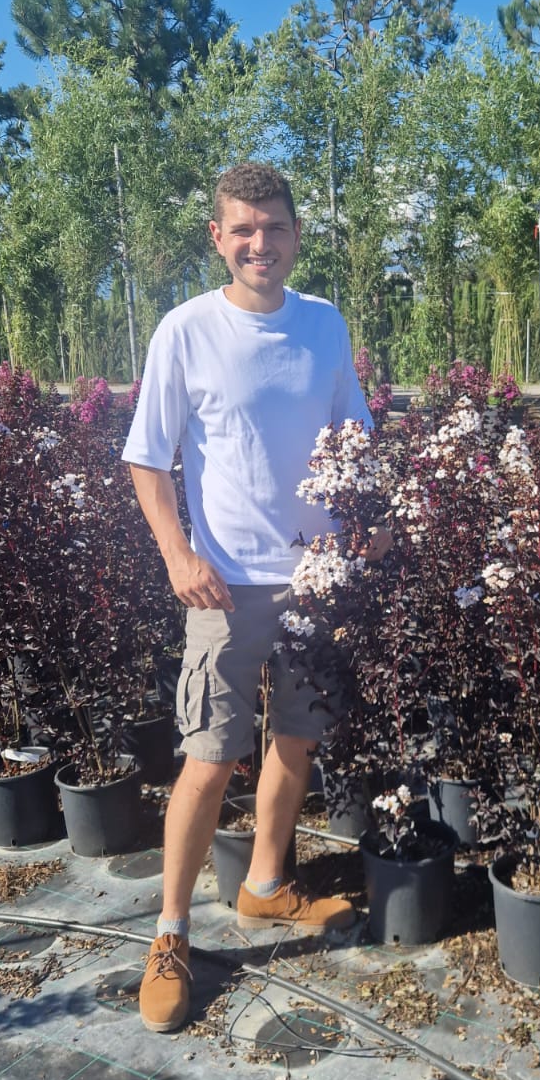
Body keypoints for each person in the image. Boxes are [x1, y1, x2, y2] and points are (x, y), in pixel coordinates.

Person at [123, 161, 380, 1033]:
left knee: (297, 738)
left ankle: (266, 884)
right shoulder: (186, 331)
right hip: (224, 584)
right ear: (218, 236)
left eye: (273, 227)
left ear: (296, 233)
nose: (258, 243)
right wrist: (176, 554)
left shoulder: (324, 327)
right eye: (242, 228)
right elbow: (147, 459)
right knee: (208, 759)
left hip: (316, 574)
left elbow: (355, 435)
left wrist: (368, 524)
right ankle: (169, 934)